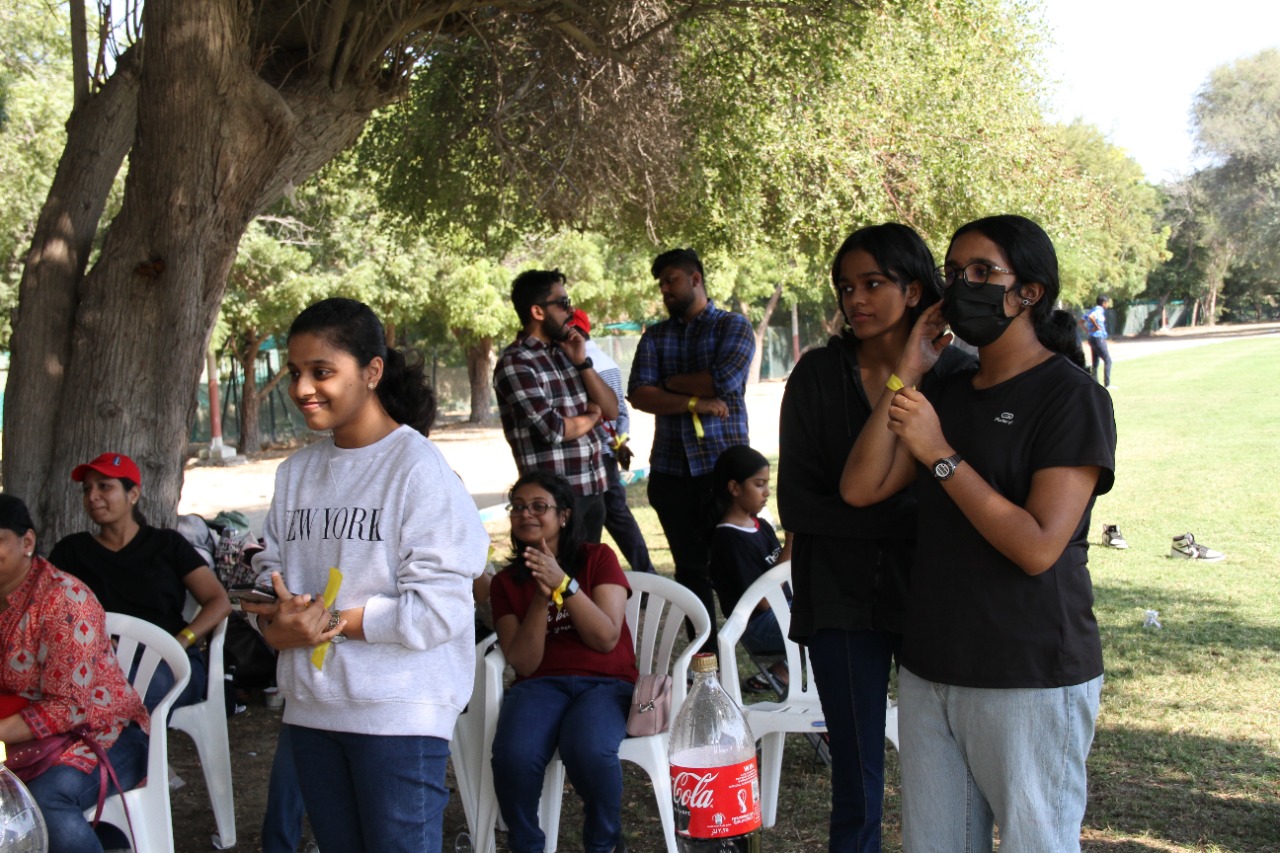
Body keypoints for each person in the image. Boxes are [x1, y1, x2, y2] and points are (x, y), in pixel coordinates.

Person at [841, 215, 1116, 851]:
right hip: (932, 663)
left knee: (1034, 842)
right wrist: (908, 369)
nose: (963, 284)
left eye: (983, 272)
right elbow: (860, 487)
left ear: (1030, 293)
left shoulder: (1070, 397)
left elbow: (1038, 545)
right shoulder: (949, 390)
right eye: (954, 271)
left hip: (1026, 668)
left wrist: (940, 454)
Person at [242, 297, 489, 853]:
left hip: (398, 715)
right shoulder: (295, 474)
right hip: (311, 709)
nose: (303, 388)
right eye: (295, 373)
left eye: (322, 372)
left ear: (372, 371)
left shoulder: (418, 471)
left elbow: (440, 612)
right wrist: (272, 624)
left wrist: (330, 622)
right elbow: (268, 574)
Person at [778, 223, 972, 853]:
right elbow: (799, 505)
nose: (854, 300)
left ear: (915, 289)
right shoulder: (815, 376)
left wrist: (862, 504)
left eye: (873, 284)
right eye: (845, 287)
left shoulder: (961, 375)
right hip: (838, 598)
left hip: (936, 594)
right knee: (857, 776)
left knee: (945, 765)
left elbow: (960, 493)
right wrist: (899, 507)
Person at [489, 471, 636, 853]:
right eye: (518, 507)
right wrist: (540, 598)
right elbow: (524, 662)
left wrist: (563, 583)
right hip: (540, 684)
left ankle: (605, 844)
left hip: (606, 683)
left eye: (539, 507)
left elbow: (605, 638)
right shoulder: (506, 582)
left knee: (587, 747)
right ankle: (526, 844)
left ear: (564, 515)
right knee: (514, 756)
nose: (526, 515)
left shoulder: (597, 558)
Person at [0, 494, 150, 853]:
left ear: (28, 543)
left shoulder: (65, 600)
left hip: (104, 732)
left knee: (43, 798)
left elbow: (69, 706)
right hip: (23, 734)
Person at [627, 248, 754, 648]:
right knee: (690, 572)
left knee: (735, 566)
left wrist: (670, 381)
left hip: (725, 474)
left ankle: (759, 648)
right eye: (661, 283)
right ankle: (707, 659)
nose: (665, 289)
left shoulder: (733, 326)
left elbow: (724, 381)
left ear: (695, 279)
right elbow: (639, 393)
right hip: (671, 474)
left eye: (671, 280)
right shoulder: (656, 336)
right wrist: (692, 402)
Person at [49, 451, 232, 711]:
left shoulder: (167, 544)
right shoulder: (72, 551)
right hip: (98, 662)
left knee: (136, 693)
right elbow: (48, 607)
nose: (92, 496)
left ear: (132, 494)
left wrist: (180, 641)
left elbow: (219, 601)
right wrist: (89, 637)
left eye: (104, 487)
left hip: (169, 661)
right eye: (86, 489)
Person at [494, 269, 619, 543]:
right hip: (551, 503)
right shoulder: (516, 362)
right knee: (556, 582)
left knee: (584, 581)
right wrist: (591, 416)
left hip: (592, 489)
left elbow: (611, 410)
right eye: (563, 304)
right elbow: (554, 429)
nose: (571, 311)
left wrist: (582, 362)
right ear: (538, 312)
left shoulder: (567, 353)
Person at [564, 308, 656, 573]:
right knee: (617, 517)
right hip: (609, 449)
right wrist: (619, 443)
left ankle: (588, 583)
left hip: (592, 456)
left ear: (574, 332)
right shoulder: (605, 360)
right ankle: (647, 573)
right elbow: (621, 413)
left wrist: (609, 443)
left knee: (587, 523)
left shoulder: (580, 364)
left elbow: (600, 411)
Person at [707, 445, 790, 692]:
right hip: (759, 627)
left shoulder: (761, 525)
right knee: (826, 626)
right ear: (734, 488)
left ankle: (784, 674)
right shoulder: (729, 539)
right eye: (759, 484)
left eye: (767, 483)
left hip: (785, 612)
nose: (767, 491)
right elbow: (762, 602)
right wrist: (792, 543)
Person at [1082, 294, 1114, 387]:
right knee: (1108, 360)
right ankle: (1107, 384)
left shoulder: (1092, 309)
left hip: (1092, 337)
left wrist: (1087, 331)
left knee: (1095, 361)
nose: (1107, 304)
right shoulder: (1098, 310)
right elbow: (1091, 317)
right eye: (1107, 302)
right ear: (1104, 303)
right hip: (1098, 337)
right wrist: (1097, 327)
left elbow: (1081, 321)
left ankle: (1094, 382)